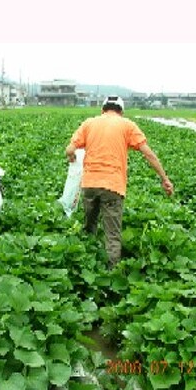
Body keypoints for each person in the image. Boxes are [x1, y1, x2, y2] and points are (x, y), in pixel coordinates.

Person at [65, 95, 174, 269]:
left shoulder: (89, 123)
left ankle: (84, 265)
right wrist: (165, 179)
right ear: (121, 111)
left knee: (89, 227)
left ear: (102, 109)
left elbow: (69, 149)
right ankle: (111, 271)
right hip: (113, 186)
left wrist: (72, 157)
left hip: (90, 184)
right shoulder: (127, 125)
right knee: (112, 234)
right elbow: (149, 154)